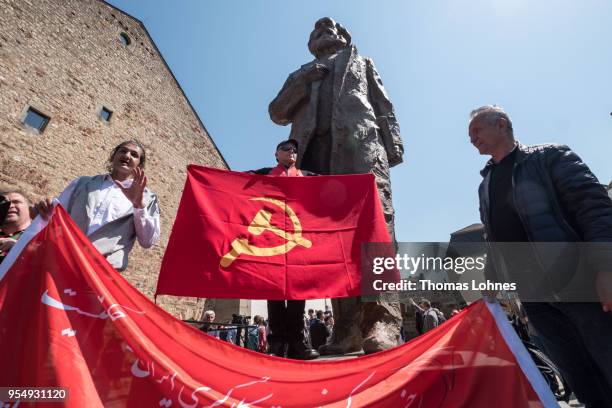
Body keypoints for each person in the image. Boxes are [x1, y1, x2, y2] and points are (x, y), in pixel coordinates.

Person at [269, 16, 404, 356]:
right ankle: (346, 328)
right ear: (310, 43)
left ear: (345, 36)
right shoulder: (300, 73)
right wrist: (303, 80)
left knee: (374, 228)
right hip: (313, 154)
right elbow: (277, 112)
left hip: (361, 147)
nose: (324, 27)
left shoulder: (361, 62)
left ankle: (382, 320)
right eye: (316, 29)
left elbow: (383, 105)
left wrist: (393, 146)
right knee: (330, 241)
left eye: (332, 27)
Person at [469, 105, 612, 407]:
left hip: (580, 284)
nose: (472, 138)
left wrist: (605, 268)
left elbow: (595, 209)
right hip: (536, 299)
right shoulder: (485, 187)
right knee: (580, 376)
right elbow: (494, 239)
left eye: (477, 130)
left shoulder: (550, 157)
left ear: (502, 125)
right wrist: (491, 280)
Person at [37, 140, 160, 271]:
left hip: (101, 272)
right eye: (123, 151)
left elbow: (148, 241)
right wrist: (45, 209)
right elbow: (53, 217)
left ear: (139, 165)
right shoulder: (81, 183)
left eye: (134, 155)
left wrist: (138, 205)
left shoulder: (148, 198)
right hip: (62, 260)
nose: (127, 156)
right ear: (113, 156)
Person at [250, 139, 319, 360]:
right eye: (286, 149)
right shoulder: (264, 173)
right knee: (275, 292)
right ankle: (277, 344)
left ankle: (298, 344)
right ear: (276, 153)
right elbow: (234, 182)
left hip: (299, 240)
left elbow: (333, 186)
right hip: (273, 239)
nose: (291, 152)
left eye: (295, 150)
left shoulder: (307, 176)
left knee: (298, 292)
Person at [0, 190, 32, 264]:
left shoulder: (40, 235)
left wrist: (19, 248)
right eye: (4, 203)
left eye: (16, 202)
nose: (10, 206)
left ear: (30, 209)